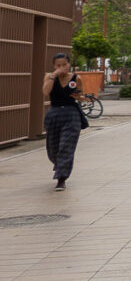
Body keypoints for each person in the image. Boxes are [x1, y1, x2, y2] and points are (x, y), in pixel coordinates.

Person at [42, 53, 84, 191]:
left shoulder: (76, 78)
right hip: (54, 114)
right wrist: (54, 75)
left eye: (64, 65)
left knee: (66, 146)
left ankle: (61, 178)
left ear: (69, 64)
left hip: (71, 114)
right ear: (54, 66)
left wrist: (80, 97)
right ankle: (60, 165)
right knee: (53, 148)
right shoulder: (49, 76)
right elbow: (45, 92)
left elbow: (81, 95)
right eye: (58, 65)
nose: (62, 68)